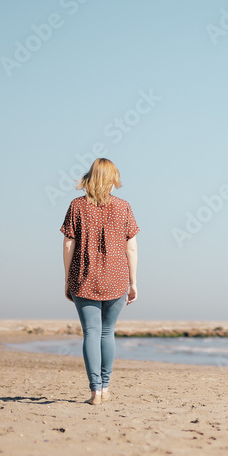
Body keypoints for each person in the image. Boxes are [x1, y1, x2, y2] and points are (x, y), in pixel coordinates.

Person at [61, 158, 139, 406]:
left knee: (91, 333)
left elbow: (68, 244)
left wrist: (67, 279)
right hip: (116, 278)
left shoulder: (76, 206)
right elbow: (132, 248)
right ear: (111, 180)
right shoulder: (124, 207)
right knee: (107, 332)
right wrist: (133, 282)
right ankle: (105, 387)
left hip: (84, 277)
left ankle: (95, 391)